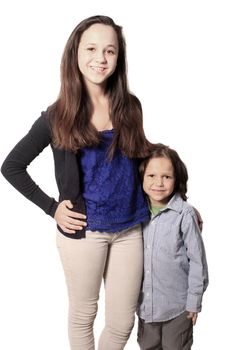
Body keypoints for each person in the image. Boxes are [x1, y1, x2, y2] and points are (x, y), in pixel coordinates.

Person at [1, 15, 152, 350]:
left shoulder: (130, 107)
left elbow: (143, 163)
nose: (101, 58)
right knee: (84, 315)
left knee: (122, 321)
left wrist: (177, 203)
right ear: (75, 53)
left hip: (130, 229)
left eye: (110, 51)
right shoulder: (57, 117)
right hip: (84, 232)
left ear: (118, 58)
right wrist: (52, 208)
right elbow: (11, 166)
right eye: (92, 49)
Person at [137, 143, 209, 350]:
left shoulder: (185, 214)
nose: (158, 182)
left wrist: (194, 302)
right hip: (145, 307)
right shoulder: (136, 212)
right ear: (141, 177)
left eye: (166, 177)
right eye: (151, 175)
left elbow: (197, 261)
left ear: (176, 179)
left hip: (178, 308)